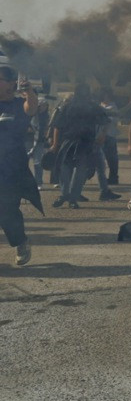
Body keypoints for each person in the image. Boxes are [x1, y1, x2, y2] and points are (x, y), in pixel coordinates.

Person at [0, 67, 42, 266]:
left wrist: (29, 92)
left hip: (11, 169)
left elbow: (31, 109)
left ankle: (20, 241)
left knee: (6, 209)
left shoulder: (18, 104)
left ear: (11, 83)